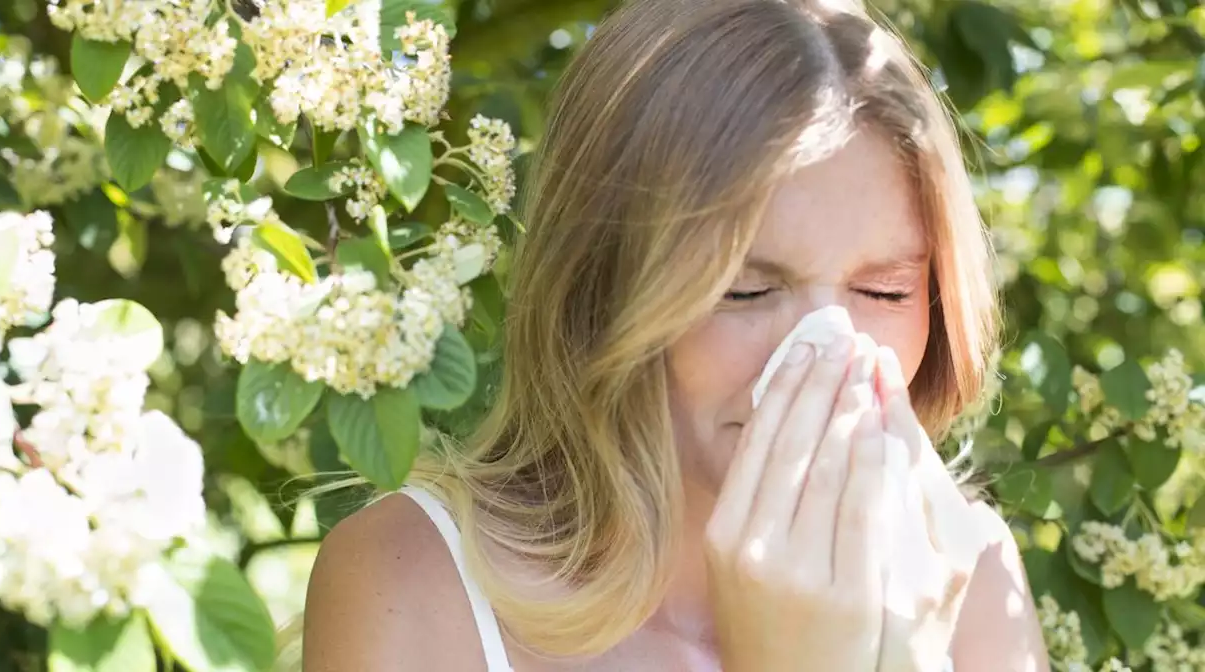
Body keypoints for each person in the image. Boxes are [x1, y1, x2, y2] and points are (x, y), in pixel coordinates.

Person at [301, 0, 1049, 669]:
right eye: (744, 290)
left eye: (885, 290)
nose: (830, 353)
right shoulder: (410, 579)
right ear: (604, 287)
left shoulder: (968, 575)